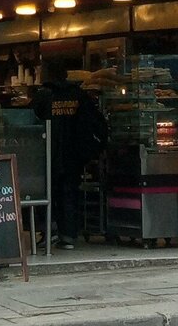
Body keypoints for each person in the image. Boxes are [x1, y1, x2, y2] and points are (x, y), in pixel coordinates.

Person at [32, 59, 108, 250]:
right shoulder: (79, 95)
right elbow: (96, 122)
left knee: (46, 193)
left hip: (47, 154)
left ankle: (49, 231)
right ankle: (69, 235)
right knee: (70, 193)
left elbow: (28, 122)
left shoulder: (43, 97)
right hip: (74, 154)